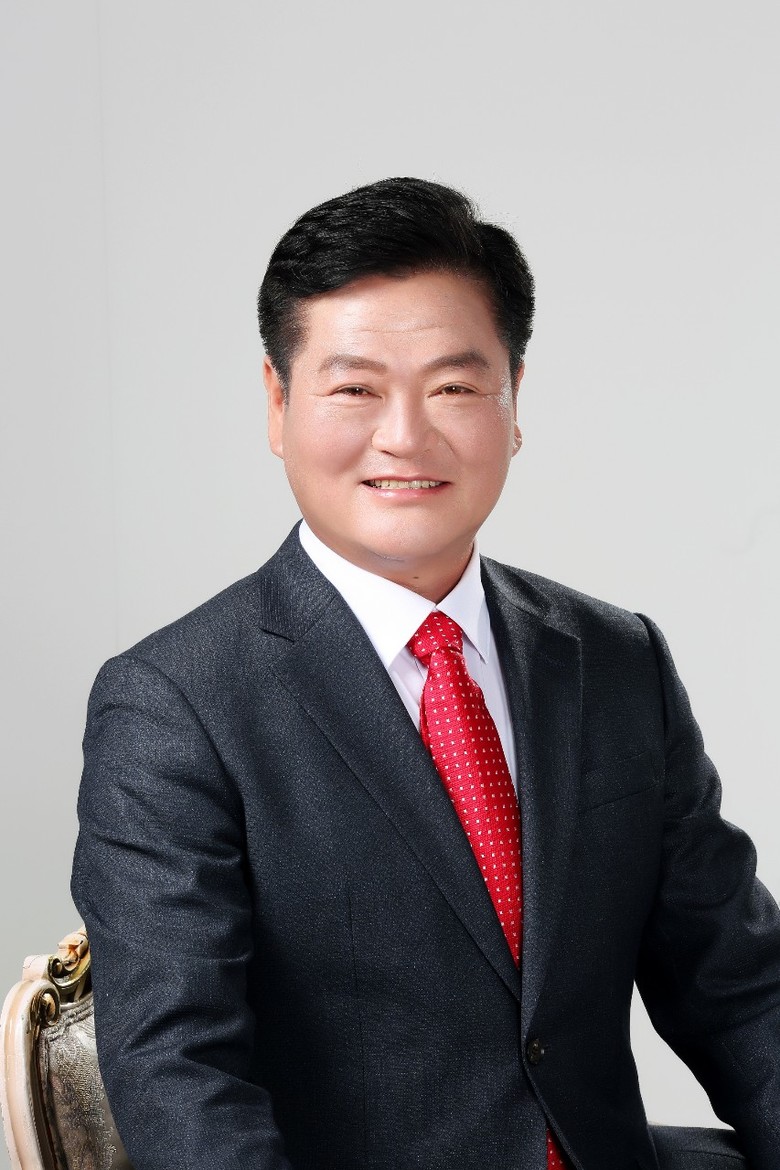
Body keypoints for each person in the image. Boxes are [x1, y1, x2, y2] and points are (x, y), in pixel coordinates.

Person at [71, 178, 780, 1170]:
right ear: (277, 403)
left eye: (453, 387)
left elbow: (741, 991)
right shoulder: (175, 705)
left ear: (514, 399)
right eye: (355, 389)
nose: (405, 435)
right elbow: (180, 1075)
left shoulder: (617, 660)